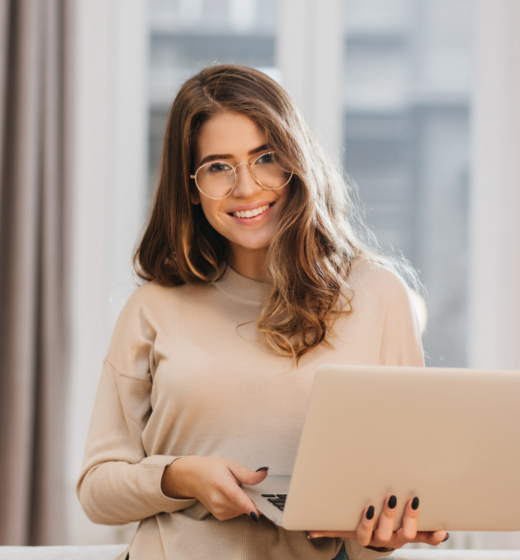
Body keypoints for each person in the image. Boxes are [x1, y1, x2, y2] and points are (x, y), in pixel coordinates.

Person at [76, 64, 446, 560]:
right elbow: (97, 488)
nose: (247, 188)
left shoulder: (379, 296)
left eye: (265, 158)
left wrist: (374, 534)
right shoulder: (152, 309)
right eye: (217, 166)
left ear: (296, 163)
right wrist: (180, 475)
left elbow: (396, 488)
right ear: (190, 187)